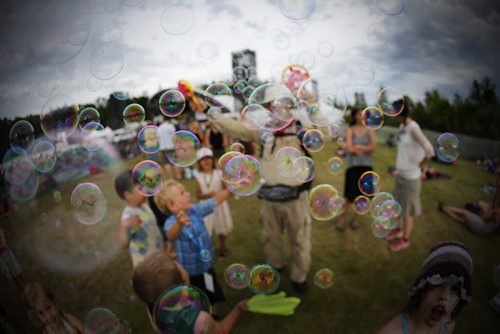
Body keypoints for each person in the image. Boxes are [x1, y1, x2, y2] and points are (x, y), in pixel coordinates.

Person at [208, 85, 312, 294]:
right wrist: (213, 116)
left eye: (277, 104)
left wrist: (312, 107)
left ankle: (299, 277)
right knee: (270, 237)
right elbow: (237, 129)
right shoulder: (264, 129)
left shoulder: (302, 125)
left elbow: (325, 132)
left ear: (288, 105)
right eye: (269, 106)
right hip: (268, 197)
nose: (273, 110)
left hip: (295, 197)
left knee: (299, 239)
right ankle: (276, 265)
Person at [154, 179, 231, 307]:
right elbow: (171, 235)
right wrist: (179, 223)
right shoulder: (171, 222)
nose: (188, 194)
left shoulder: (195, 211)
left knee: (211, 291)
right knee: (196, 298)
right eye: (182, 193)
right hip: (190, 273)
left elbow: (214, 201)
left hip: (206, 265)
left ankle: (214, 314)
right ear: (172, 205)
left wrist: (232, 188)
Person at [132, 251, 247, 334]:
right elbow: (221, 331)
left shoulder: (153, 309)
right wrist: (238, 309)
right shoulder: (201, 320)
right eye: (177, 264)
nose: (179, 262)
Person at [378, 241, 473, 334]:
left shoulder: (447, 325)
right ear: (422, 286)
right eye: (437, 284)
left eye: (455, 290)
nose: (444, 296)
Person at [385, 100, 435, 252]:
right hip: (401, 174)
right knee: (399, 207)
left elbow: (430, 150)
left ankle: (404, 239)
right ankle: (398, 229)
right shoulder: (402, 126)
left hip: (411, 178)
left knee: (407, 213)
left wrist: (421, 165)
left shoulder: (413, 127)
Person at [114, 170, 165, 268]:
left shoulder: (144, 206)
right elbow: (123, 244)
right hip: (146, 265)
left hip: (158, 256)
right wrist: (125, 227)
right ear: (128, 195)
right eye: (140, 187)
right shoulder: (129, 215)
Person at [336, 108, 376, 231]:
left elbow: (373, 147)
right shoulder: (350, 129)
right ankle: (342, 219)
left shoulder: (370, 130)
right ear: (354, 116)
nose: (362, 116)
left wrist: (358, 146)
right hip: (352, 166)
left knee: (363, 195)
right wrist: (363, 148)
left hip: (366, 166)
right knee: (349, 195)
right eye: (360, 113)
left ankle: (356, 219)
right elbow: (349, 148)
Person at [194, 148, 234, 257]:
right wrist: (208, 195)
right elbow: (198, 194)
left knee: (221, 227)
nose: (206, 162)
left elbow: (226, 190)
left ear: (213, 160)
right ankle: (208, 248)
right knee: (206, 228)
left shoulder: (219, 173)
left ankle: (222, 247)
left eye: (208, 159)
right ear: (199, 163)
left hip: (220, 205)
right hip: (205, 207)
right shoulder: (198, 177)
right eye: (203, 160)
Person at [0, 227, 26, 291]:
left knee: (17, 270)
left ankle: (26, 287)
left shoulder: (0, 230)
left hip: (5, 251)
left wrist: (2, 241)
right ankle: (22, 290)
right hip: (1, 256)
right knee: (12, 274)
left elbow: (3, 243)